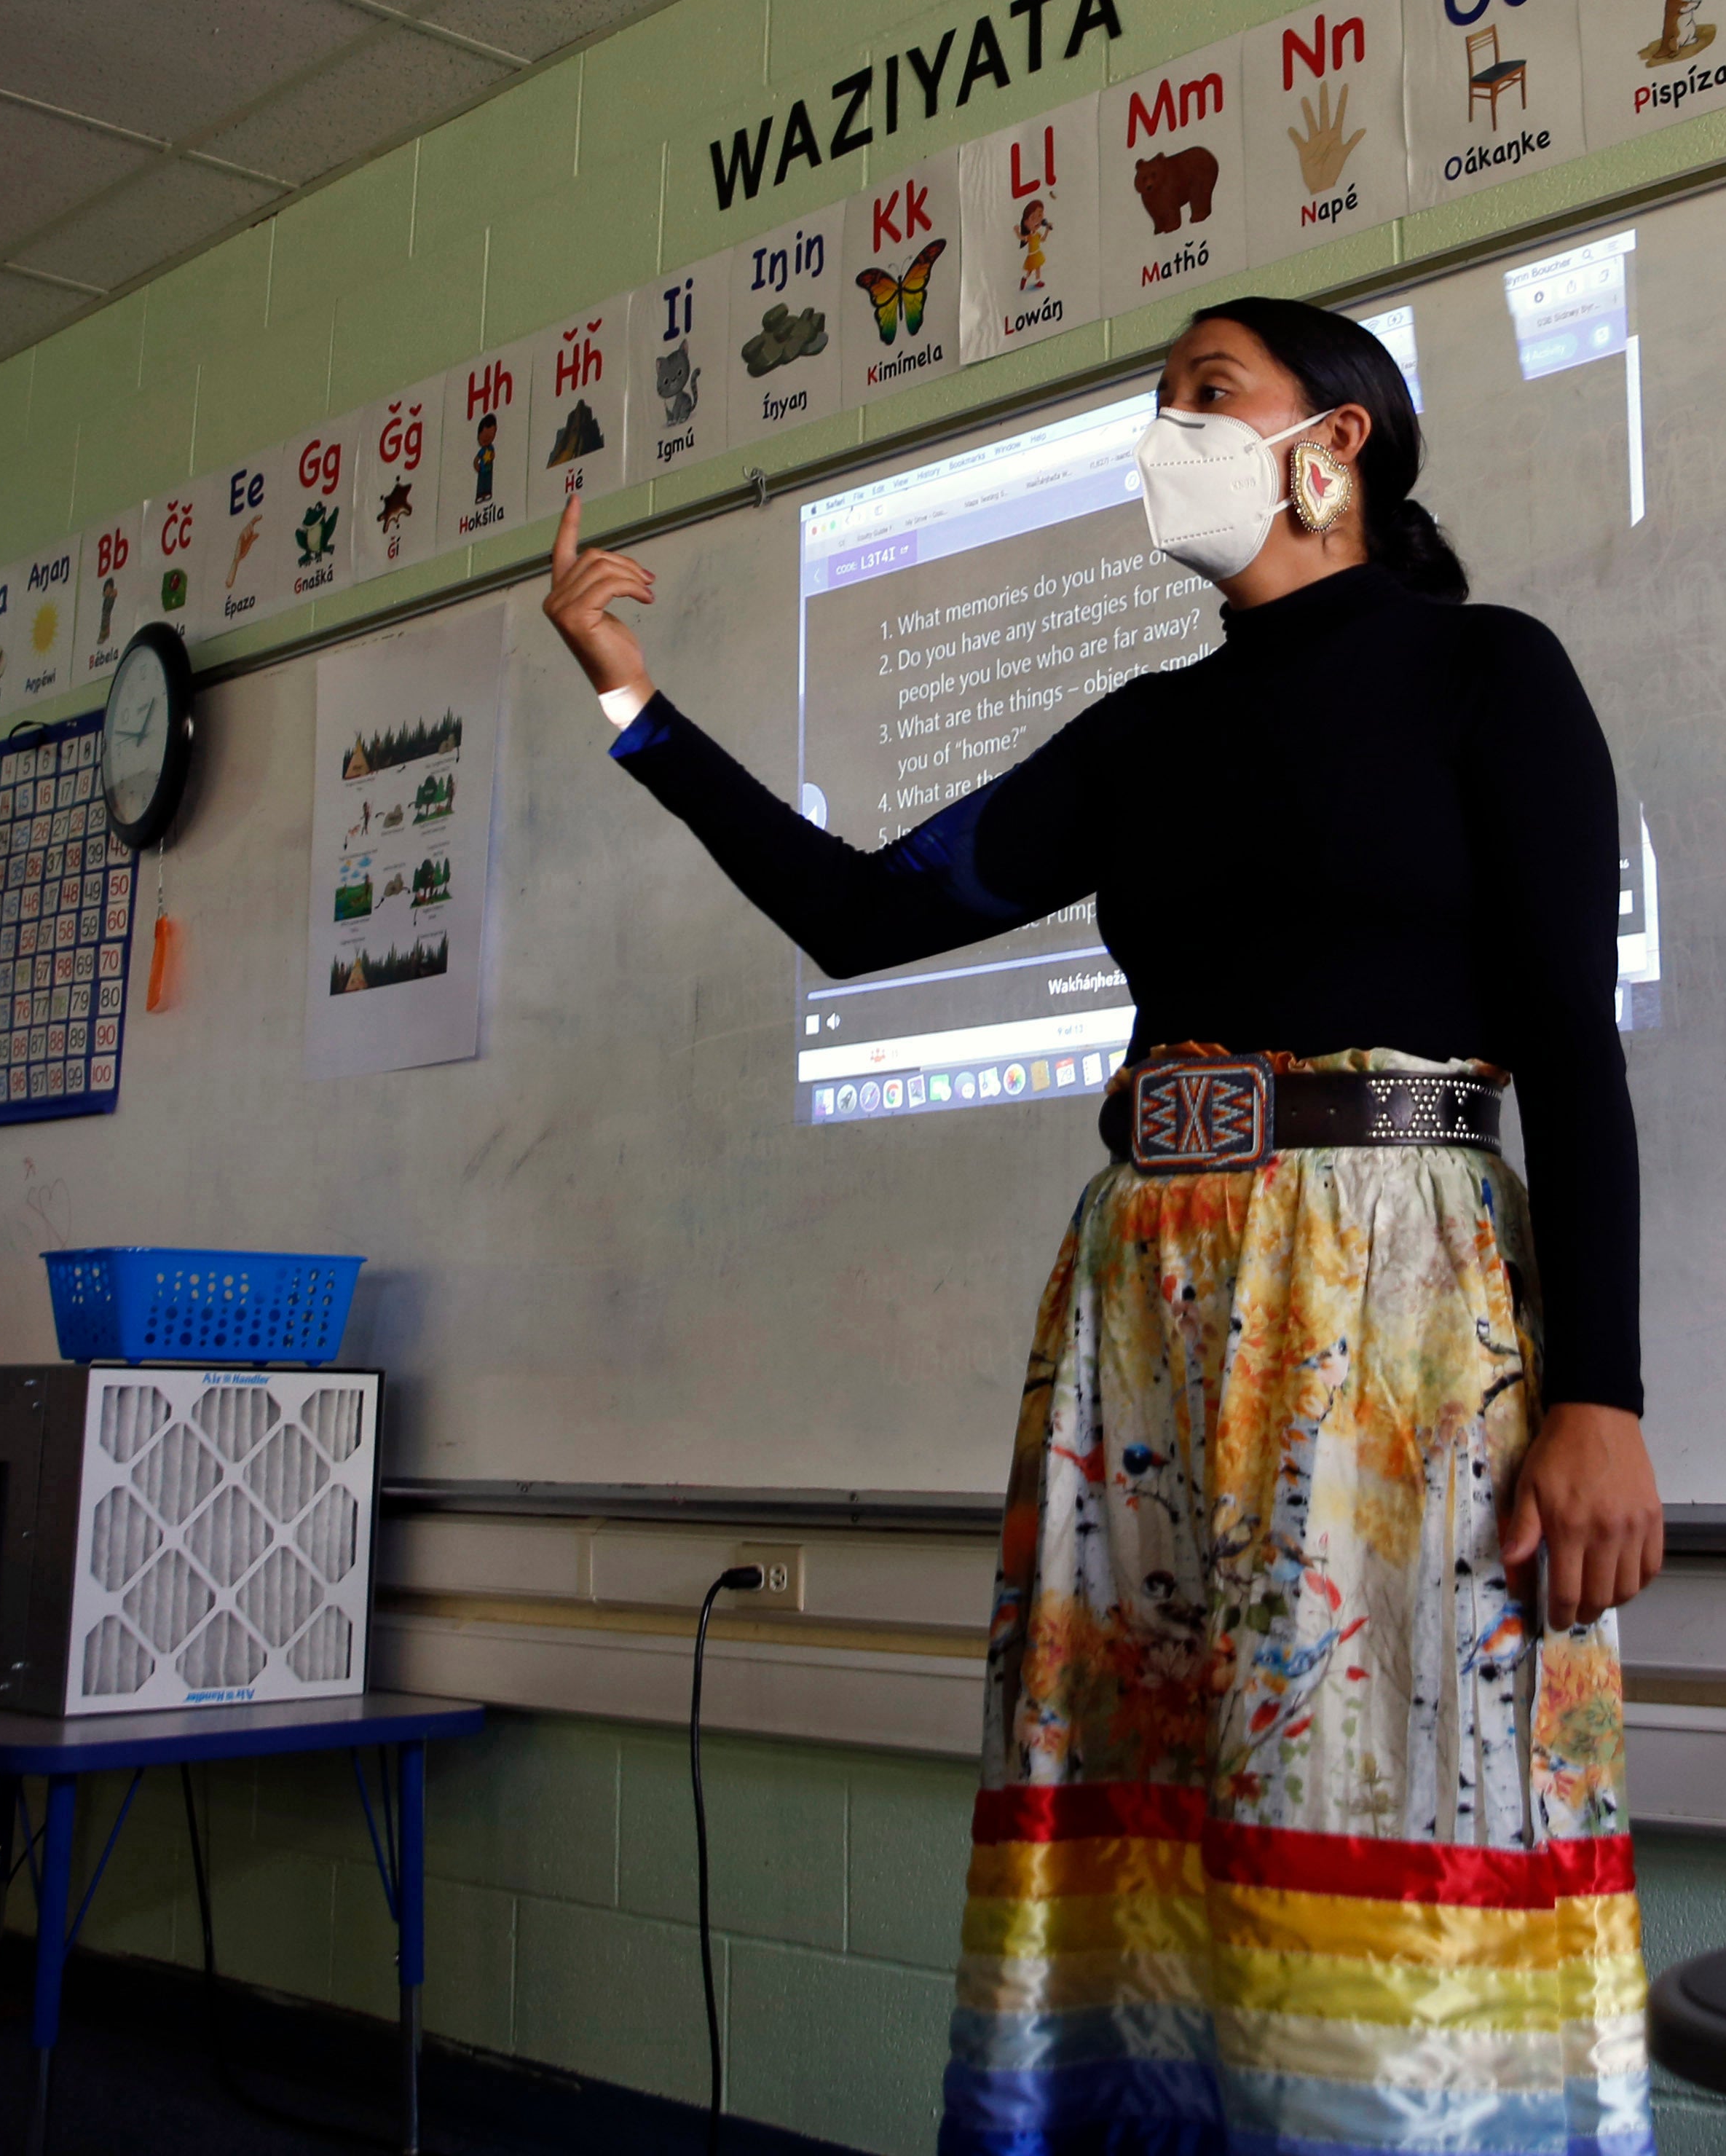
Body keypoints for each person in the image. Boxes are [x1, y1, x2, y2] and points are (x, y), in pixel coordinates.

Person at [541, 296, 1658, 2156]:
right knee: (1143, 1800)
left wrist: (1603, 1390)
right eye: (1157, 404)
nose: (1167, 432)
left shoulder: (1490, 671)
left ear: (1341, 443)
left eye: (1207, 394)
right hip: (1144, 1305)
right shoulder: (1147, 731)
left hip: (1394, 1304)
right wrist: (627, 700)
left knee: (1397, 1791)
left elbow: (1569, 1042)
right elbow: (859, 914)